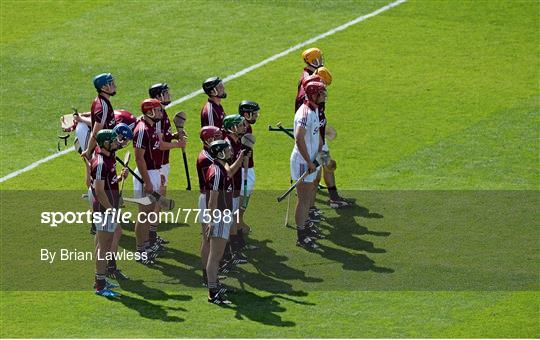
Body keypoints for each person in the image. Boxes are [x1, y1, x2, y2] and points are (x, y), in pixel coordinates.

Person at [133, 99, 184, 265]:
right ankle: (141, 250)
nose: (161, 113)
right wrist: (148, 181)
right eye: (158, 110)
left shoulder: (151, 127)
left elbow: (157, 147)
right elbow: (139, 158)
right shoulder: (142, 130)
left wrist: (158, 174)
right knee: (144, 215)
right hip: (145, 174)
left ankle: (146, 246)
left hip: (153, 172)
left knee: (149, 214)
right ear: (150, 112)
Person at [90, 129, 128, 297]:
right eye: (113, 141)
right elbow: (99, 190)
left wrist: (119, 178)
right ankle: (100, 285)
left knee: (104, 244)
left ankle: (101, 280)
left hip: (108, 208)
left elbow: (107, 183)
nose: (116, 143)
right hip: (104, 209)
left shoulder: (108, 158)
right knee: (103, 247)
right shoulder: (100, 163)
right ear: (105, 143)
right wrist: (111, 209)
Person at [290, 80, 327, 250]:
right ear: (313, 95)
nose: (324, 96)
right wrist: (308, 161)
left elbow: (317, 134)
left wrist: (320, 150)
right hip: (303, 162)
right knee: (304, 200)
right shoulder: (304, 113)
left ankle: (306, 229)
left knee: (310, 193)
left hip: (312, 160)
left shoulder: (315, 109)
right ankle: (301, 236)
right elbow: (298, 138)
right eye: (322, 93)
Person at [312, 67, 353, 209]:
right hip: (315, 143)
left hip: (320, 140)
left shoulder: (318, 98)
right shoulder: (311, 103)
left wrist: (325, 129)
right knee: (317, 173)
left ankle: (333, 198)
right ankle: (310, 204)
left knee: (327, 167)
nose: (325, 92)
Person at [204, 140, 235, 304]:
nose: (230, 151)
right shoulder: (216, 172)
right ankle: (212, 292)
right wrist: (211, 221)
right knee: (215, 256)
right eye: (227, 149)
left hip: (224, 214)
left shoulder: (222, 167)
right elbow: (212, 200)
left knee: (217, 255)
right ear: (220, 153)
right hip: (219, 216)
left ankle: (215, 286)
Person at [149, 83, 176, 247]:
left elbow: (162, 138)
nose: (169, 95)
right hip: (157, 165)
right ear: (158, 96)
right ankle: (149, 237)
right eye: (166, 93)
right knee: (154, 202)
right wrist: (177, 144)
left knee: (158, 201)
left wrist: (172, 136)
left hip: (163, 164)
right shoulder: (157, 116)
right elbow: (158, 144)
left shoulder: (162, 112)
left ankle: (152, 234)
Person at [196, 126, 223, 286]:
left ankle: (211, 273)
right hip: (208, 200)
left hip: (210, 199)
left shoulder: (210, 155)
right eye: (217, 136)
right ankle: (207, 276)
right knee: (207, 239)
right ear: (209, 140)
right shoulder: (206, 159)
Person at [82, 73, 117, 160]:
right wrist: (88, 152)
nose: (115, 86)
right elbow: (96, 133)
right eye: (111, 84)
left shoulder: (103, 101)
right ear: (103, 87)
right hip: (103, 149)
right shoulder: (102, 106)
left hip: (108, 146)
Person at [237, 101, 259, 239]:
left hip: (246, 167)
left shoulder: (245, 125)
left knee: (246, 194)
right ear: (246, 114)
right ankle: (238, 222)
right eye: (254, 113)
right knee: (243, 195)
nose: (257, 116)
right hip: (243, 168)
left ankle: (239, 220)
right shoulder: (243, 127)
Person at [295, 48, 324, 112]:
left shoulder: (314, 74)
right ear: (313, 61)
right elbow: (301, 99)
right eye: (319, 59)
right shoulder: (308, 79)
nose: (322, 61)